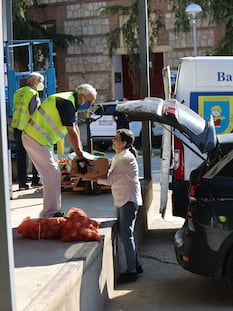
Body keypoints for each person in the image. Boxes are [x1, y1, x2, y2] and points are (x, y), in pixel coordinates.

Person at [22, 83, 97, 218]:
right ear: (81, 97)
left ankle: (52, 211)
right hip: (35, 139)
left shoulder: (70, 101)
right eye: (89, 102)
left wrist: (81, 154)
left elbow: (76, 130)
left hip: (37, 139)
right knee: (52, 174)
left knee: (51, 175)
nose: (89, 105)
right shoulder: (67, 103)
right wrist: (80, 157)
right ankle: (51, 213)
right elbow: (72, 132)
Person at [96, 129, 143, 283]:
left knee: (126, 236)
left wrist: (92, 177)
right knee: (126, 235)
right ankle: (135, 265)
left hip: (128, 201)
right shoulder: (120, 156)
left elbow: (110, 180)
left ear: (124, 143)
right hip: (123, 199)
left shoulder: (125, 159)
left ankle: (132, 271)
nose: (113, 140)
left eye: (116, 138)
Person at [11, 72, 44, 190]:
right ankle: (35, 180)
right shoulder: (33, 93)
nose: (41, 84)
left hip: (16, 127)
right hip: (29, 129)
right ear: (34, 82)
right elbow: (34, 113)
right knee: (36, 154)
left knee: (21, 155)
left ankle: (22, 183)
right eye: (41, 82)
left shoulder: (18, 92)